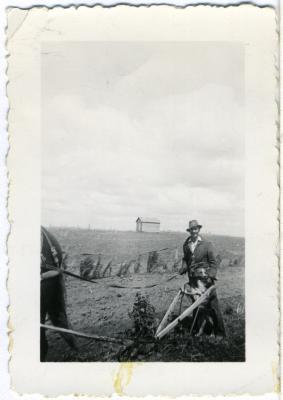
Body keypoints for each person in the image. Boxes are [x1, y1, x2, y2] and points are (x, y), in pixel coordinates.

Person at [180, 220, 226, 337]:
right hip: (193, 280)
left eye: (196, 229)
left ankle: (220, 332)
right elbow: (186, 259)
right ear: (189, 231)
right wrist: (183, 267)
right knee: (196, 304)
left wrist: (210, 275)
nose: (194, 231)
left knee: (213, 305)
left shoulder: (207, 244)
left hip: (206, 280)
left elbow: (213, 262)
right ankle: (197, 329)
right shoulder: (186, 245)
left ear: (199, 230)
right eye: (191, 229)